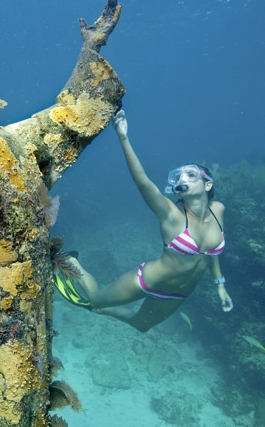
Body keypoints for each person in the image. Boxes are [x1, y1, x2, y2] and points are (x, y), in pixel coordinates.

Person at [55, 110, 233, 332]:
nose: (182, 179)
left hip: (178, 293)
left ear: (207, 185)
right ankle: (73, 263)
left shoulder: (219, 209)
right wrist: (123, 138)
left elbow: (212, 253)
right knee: (97, 299)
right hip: (147, 279)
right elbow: (143, 183)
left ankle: (100, 309)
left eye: (191, 175)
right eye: (179, 176)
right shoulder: (171, 213)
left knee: (142, 325)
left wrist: (220, 286)